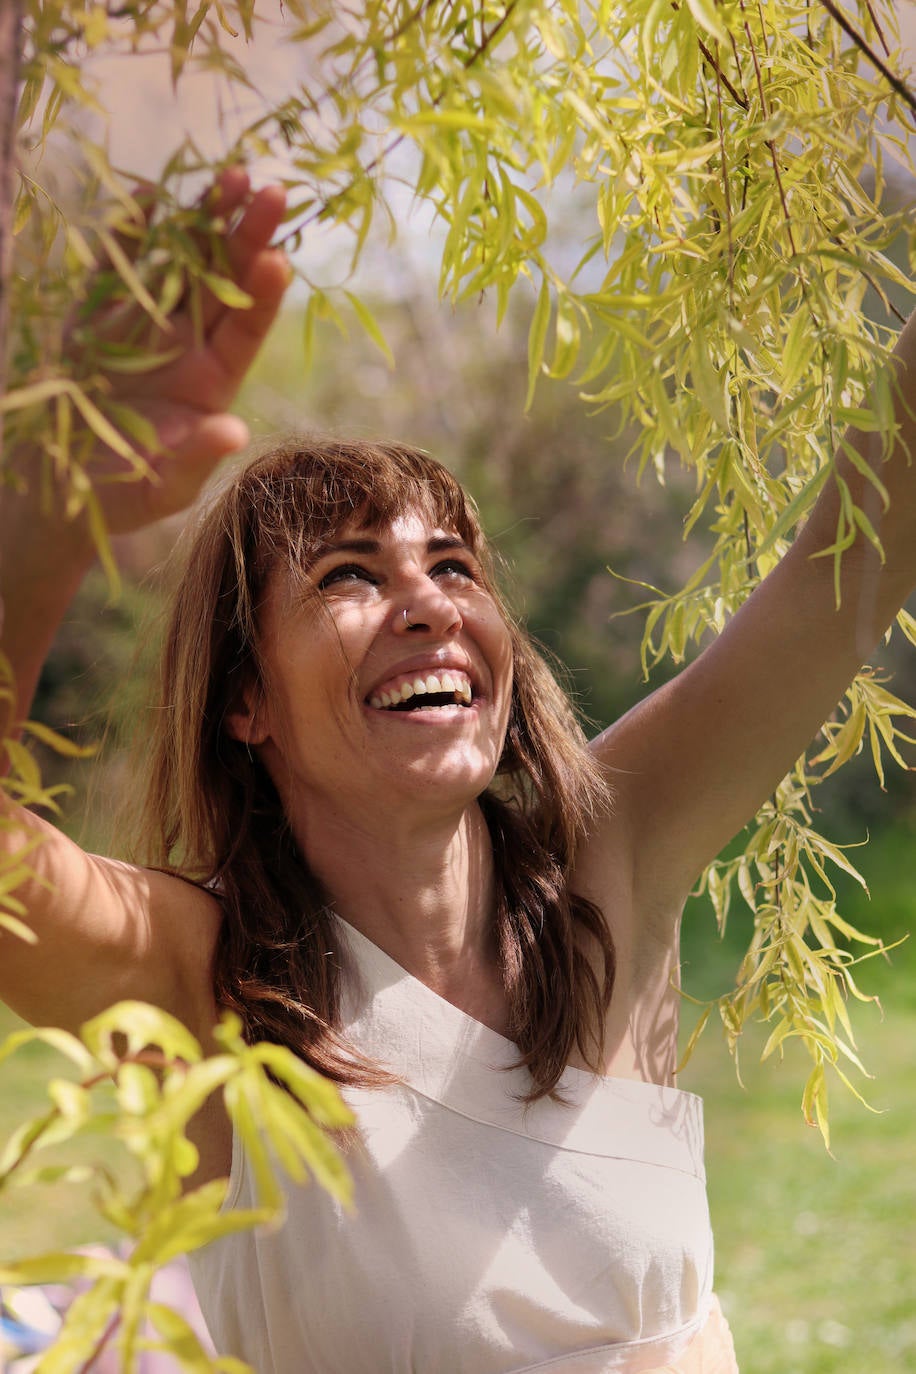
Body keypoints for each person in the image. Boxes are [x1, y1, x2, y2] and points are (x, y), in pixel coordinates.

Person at [0, 167, 914, 1374]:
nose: (428, 605)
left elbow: (848, 567)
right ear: (244, 700)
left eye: (455, 567)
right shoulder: (193, 977)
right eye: (348, 575)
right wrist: (45, 511)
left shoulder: (612, 859)